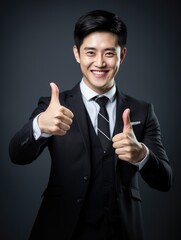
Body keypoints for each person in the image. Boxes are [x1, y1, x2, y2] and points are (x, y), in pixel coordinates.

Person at [9, 10, 173, 240]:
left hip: (122, 232)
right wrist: (40, 126)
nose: (99, 63)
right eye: (90, 52)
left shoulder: (142, 111)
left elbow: (165, 180)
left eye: (109, 53)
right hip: (61, 230)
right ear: (77, 54)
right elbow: (17, 154)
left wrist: (142, 155)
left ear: (122, 55)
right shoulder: (53, 105)